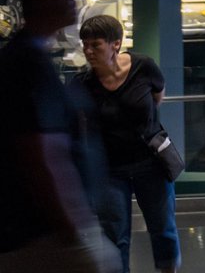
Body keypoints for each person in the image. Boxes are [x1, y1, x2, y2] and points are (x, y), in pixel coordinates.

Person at [0, 0, 120, 273]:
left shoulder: (30, 59)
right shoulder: (28, 65)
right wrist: (72, 230)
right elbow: (40, 155)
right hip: (42, 237)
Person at [72, 15, 179, 273]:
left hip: (151, 164)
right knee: (114, 235)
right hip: (110, 170)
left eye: (95, 45)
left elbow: (157, 95)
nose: (88, 51)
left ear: (115, 44)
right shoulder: (82, 84)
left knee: (163, 229)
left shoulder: (144, 67)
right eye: (85, 44)